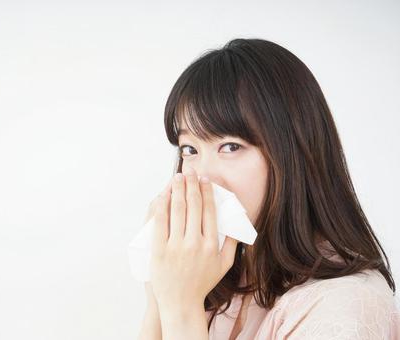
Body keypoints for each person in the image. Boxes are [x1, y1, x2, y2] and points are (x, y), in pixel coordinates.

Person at [137, 38, 400, 340]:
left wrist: (181, 307)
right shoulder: (218, 280)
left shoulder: (346, 306)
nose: (203, 178)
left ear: (291, 154)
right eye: (189, 149)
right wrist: (160, 293)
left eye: (231, 146)